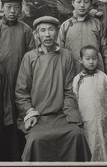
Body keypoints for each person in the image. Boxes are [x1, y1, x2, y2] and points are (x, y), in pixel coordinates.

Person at [15, 16, 91, 161]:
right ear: (37, 34)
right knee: (35, 140)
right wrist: (30, 113)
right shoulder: (29, 57)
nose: (47, 34)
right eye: (42, 30)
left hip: (62, 115)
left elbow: (70, 89)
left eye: (51, 29)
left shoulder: (66, 56)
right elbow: (21, 91)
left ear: (57, 32)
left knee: (77, 135)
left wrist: (72, 117)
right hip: (38, 117)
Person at [0, 0, 35, 160]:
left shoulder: (26, 30)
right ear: (2, 8)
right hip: (0, 82)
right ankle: (1, 156)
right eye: (9, 7)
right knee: (1, 117)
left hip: (20, 82)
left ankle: (21, 155)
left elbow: (32, 56)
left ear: (21, 8)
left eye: (16, 7)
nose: (13, 11)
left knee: (19, 118)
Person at [72, 45, 107, 161]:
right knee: (90, 143)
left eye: (94, 58)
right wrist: (76, 119)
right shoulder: (77, 80)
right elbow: (73, 100)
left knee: (103, 141)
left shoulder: (103, 77)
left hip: (102, 118)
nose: (91, 62)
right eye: (87, 59)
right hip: (86, 121)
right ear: (81, 60)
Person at [57, 0, 107, 81]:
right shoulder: (66, 25)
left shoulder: (97, 24)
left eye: (86, 2)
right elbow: (59, 52)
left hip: (96, 73)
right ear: (73, 3)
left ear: (91, 3)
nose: (82, 5)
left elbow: (106, 50)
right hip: (71, 73)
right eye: (78, 2)